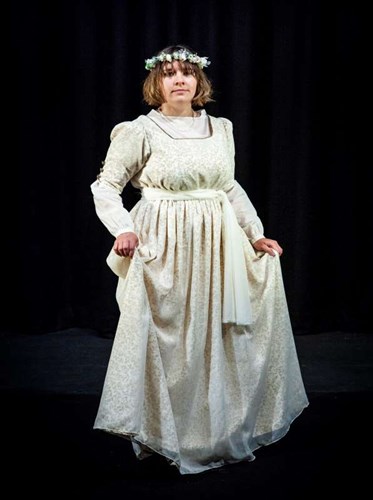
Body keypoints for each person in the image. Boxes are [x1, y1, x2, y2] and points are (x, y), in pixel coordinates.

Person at [90, 44, 309, 475]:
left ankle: (213, 431)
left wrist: (256, 234)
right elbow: (105, 186)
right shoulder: (140, 131)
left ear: (198, 82)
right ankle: (164, 434)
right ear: (157, 83)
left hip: (217, 242)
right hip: (165, 243)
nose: (179, 80)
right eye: (169, 73)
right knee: (172, 337)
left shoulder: (221, 128)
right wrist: (124, 229)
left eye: (187, 73)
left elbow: (229, 188)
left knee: (215, 334)